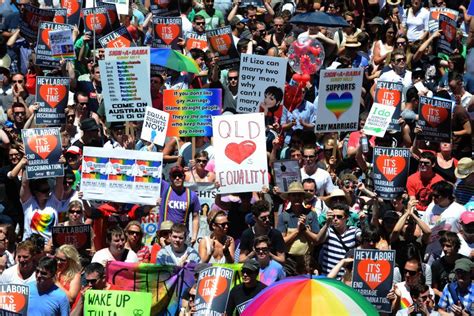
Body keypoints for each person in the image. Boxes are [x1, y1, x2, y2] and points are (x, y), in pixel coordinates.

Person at [160, 166, 201, 246]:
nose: (177, 178)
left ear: (184, 177)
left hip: (182, 237)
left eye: (180, 175)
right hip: (165, 236)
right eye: (174, 176)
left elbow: (195, 217)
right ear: (170, 178)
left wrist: (194, 236)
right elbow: (152, 178)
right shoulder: (165, 189)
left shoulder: (191, 195)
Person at [319, 203, 360, 276]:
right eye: (333, 216)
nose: (335, 219)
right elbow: (319, 240)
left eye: (339, 217)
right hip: (328, 278)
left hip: (345, 279)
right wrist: (327, 224)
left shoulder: (354, 231)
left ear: (347, 217)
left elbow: (363, 238)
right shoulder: (328, 230)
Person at [239, 200, 286, 264]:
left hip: (271, 268)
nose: (267, 220)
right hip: (253, 269)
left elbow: (282, 259)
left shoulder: (275, 234)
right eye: (263, 218)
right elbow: (241, 260)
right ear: (255, 218)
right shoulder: (247, 234)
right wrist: (253, 253)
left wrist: (268, 253)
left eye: (269, 216)